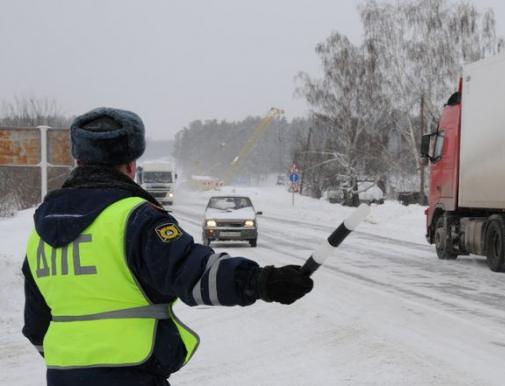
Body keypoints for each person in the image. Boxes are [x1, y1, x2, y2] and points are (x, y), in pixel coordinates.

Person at [22, 107, 314, 386]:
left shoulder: (39, 234)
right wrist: (262, 281)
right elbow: (195, 274)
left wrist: (73, 362)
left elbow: (35, 326)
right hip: (133, 375)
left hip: (62, 377)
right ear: (130, 165)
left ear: (78, 162)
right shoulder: (135, 218)